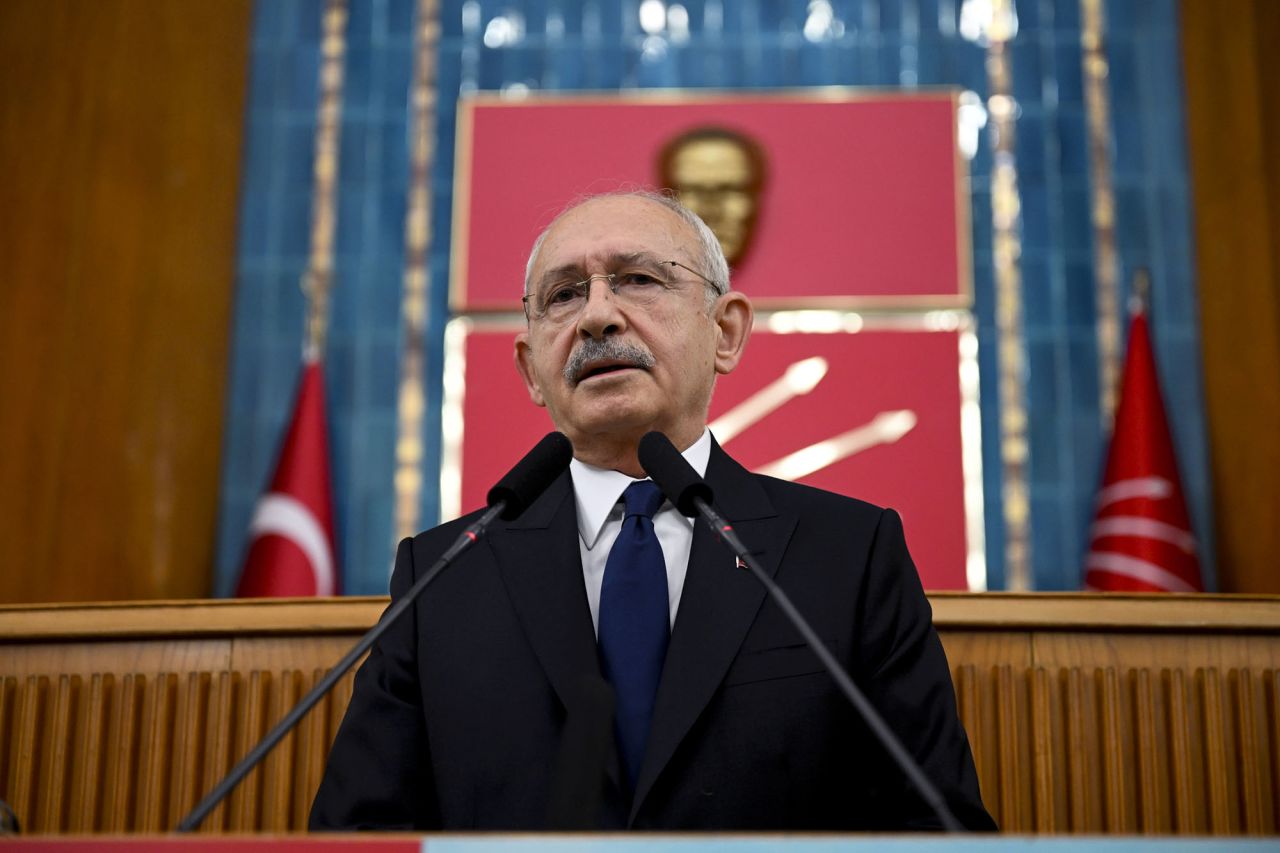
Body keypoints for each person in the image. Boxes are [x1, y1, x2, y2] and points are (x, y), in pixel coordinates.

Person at [310, 190, 994, 831]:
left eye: (638, 279)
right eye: (564, 294)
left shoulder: (849, 552)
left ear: (725, 331)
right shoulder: (441, 577)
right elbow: (359, 836)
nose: (597, 316)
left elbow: (936, 824)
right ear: (530, 371)